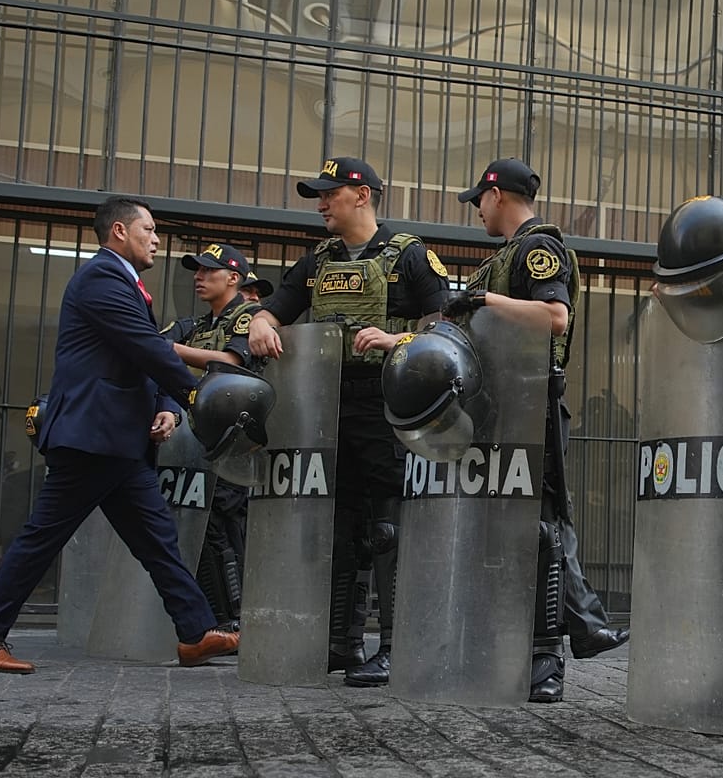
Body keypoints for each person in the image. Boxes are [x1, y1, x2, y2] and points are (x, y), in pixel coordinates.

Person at [0, 196, 239, 673]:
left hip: (119, 442)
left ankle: (194, 633)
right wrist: (195, 397)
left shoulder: (125, 283)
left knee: (157, 541)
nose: (156, 237)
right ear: (120, 232)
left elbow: (135, 357)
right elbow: (144, 347)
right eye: (147, 228)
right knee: (42, 538)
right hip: (92, 437)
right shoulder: (101, 278)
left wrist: (166, 405)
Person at [247, 157, 449, 687]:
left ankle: (397, 645)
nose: (320, 204)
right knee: (341, 527)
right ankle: (340, 640)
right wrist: (261, 326)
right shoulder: (317, 260)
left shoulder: (409, 256)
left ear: (361, 196)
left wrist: (395, 341)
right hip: (328, 406)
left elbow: (445, 326)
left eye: (328, 194)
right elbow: (275, 308)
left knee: (387, 529)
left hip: (389, 402)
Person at [444, 157, 628, 704]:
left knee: (542, 528)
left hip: (534, 408)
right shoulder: (496, 262)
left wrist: (481, 301)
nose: (477, 208)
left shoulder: (537, 248)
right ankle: (579, 626)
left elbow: (555, 318)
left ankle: (548, 658)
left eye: (479, 198)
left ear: (498, 195)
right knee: (511, 531)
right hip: (494, 410)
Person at [171, 242, 266, 631]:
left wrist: (172, 350)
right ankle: (214, 614)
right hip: (193, 440)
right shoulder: (196, 325)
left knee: (226, 526)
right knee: (202, 527)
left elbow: (232, 360)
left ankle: (237, 617)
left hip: (234, 440)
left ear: (233, 278)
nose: (199, 276)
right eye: (197, 270)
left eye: (209, 271)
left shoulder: (249, 316)